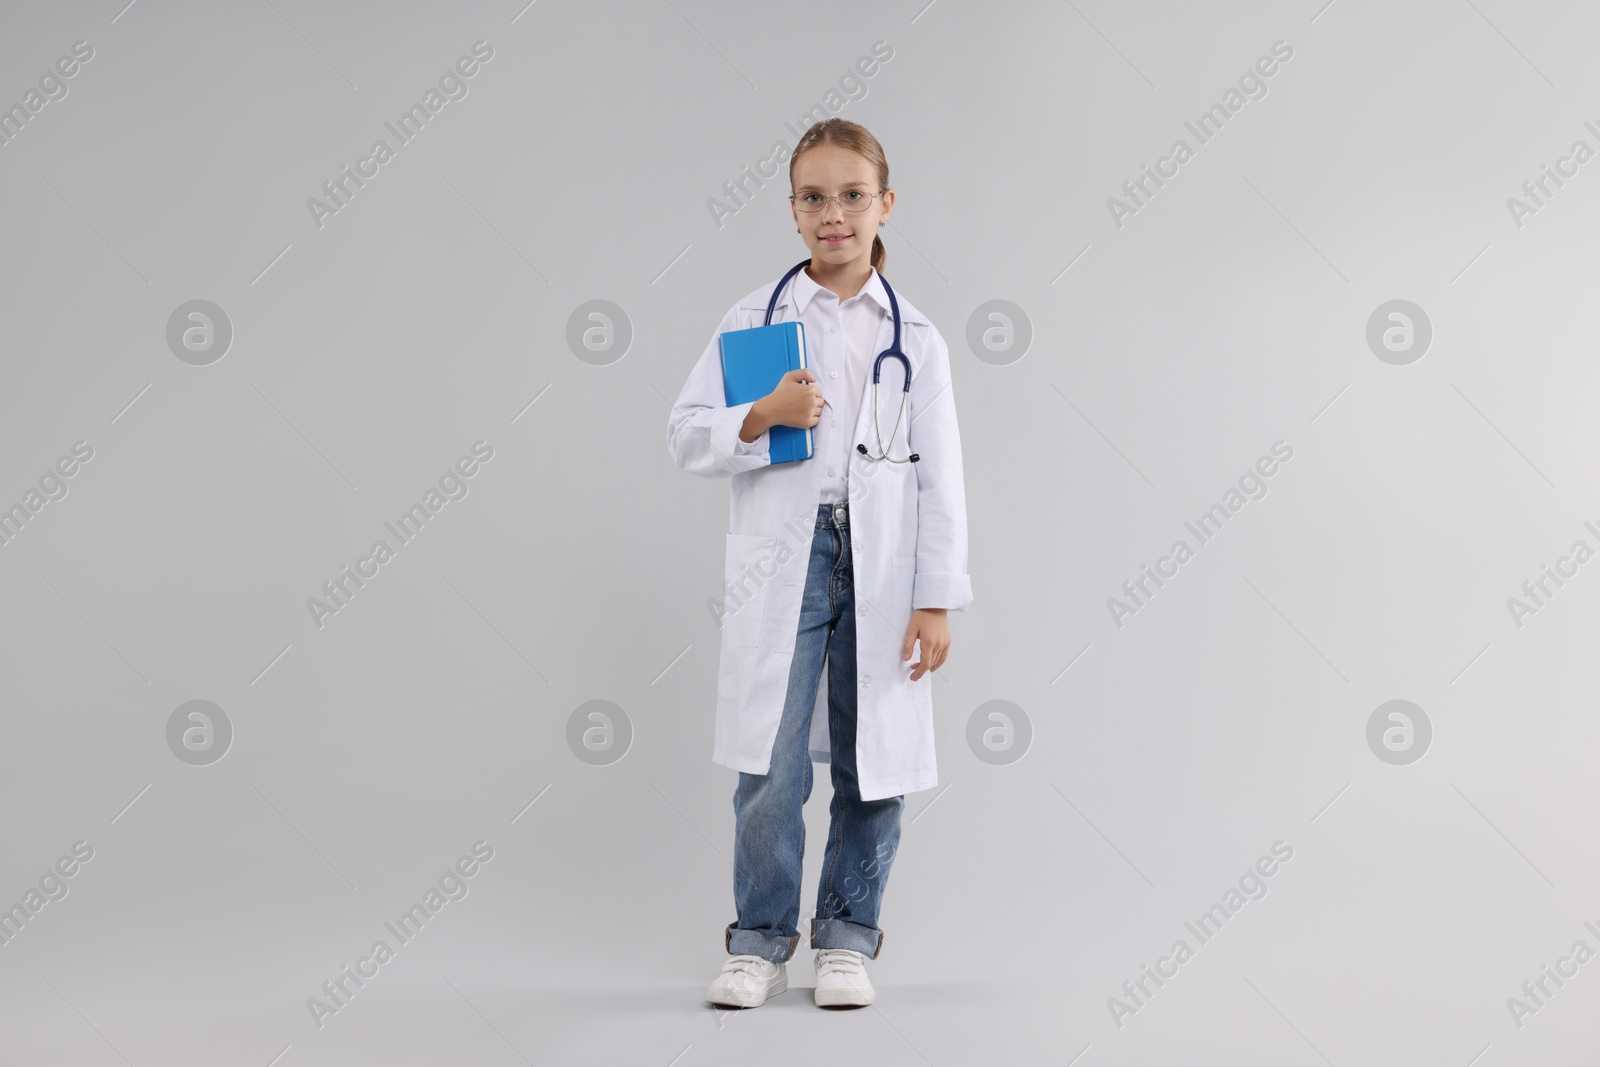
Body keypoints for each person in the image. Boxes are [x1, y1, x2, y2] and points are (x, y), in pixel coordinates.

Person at [667, 118, 972, 1010]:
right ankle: (759, 940)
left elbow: (944, 478)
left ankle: (845, 936)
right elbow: (685, 434)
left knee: (873, 756)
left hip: (882, 564)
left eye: (850, 195)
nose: (832, 214)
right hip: (786, 559)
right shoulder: (754, 320)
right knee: (771, 761)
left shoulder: (915, 339)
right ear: (792, 210)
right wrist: (759, 413)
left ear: (884, 204)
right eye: (813, 197)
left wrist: (936, 598)